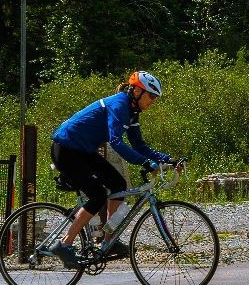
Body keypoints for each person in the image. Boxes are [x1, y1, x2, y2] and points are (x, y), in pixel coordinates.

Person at [48, 70, 174, 267]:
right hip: (66, 148)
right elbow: (115, 141)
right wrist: (144, 162)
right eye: (151, 96)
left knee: (118, 184)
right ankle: (65, 243)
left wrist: (168, 159)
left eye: (155, 98)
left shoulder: (132, 112)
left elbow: (139, 145)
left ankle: (108, 242)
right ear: (137, 92)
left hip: (82, 150)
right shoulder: (119, 104)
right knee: (97, 195)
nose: (153, 101)